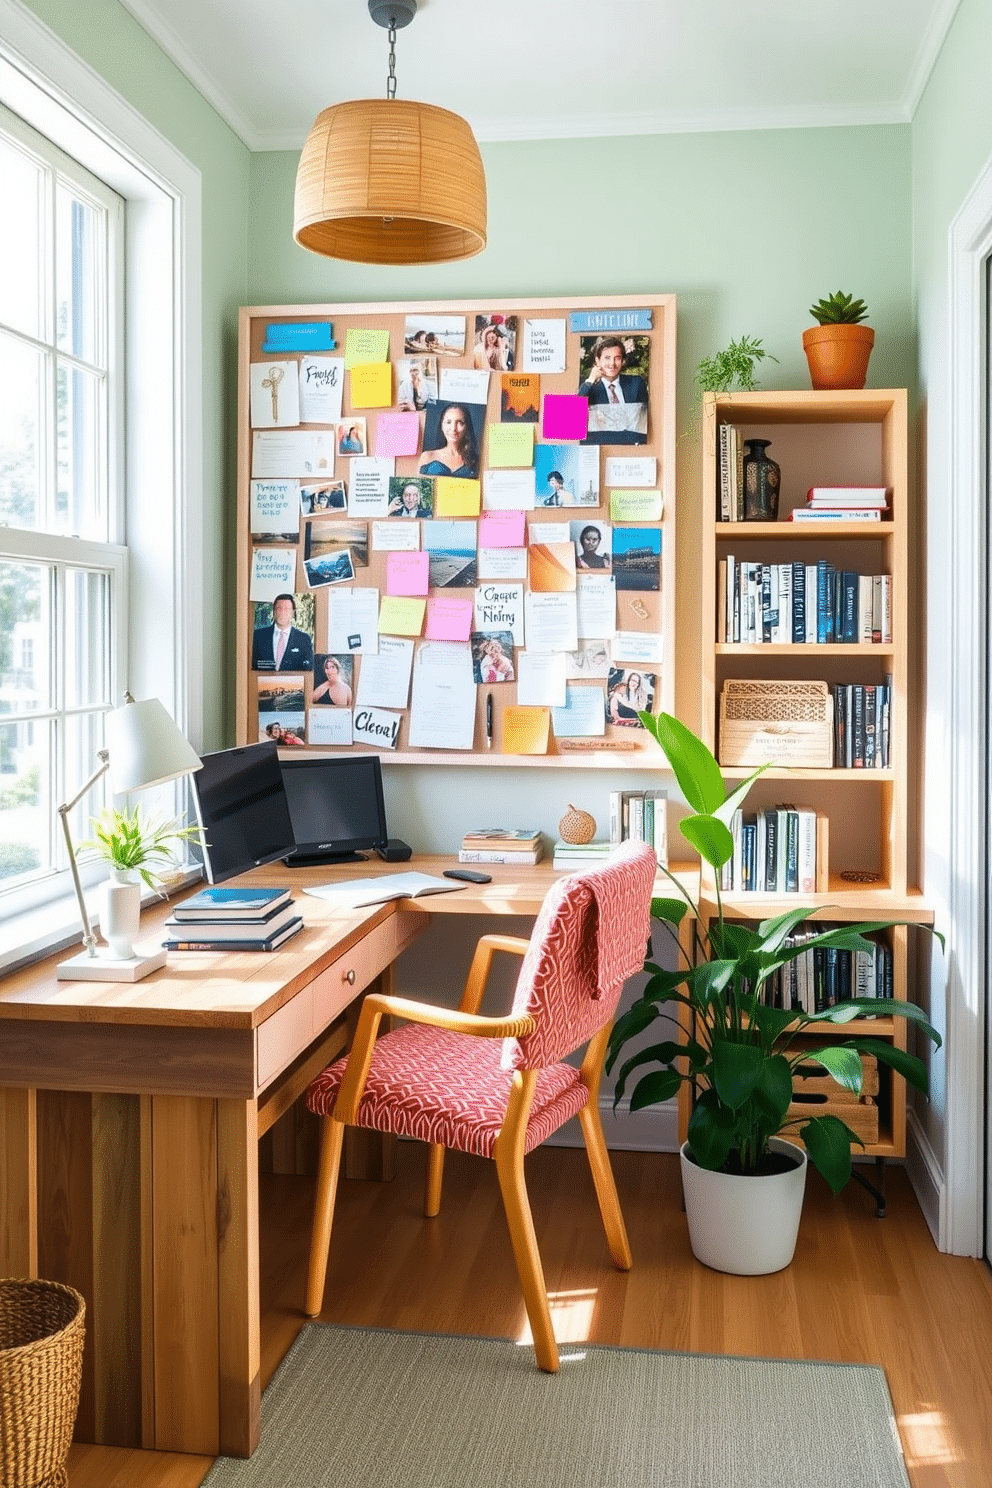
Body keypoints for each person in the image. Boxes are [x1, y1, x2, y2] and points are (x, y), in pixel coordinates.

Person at [579, 336, 649, 406]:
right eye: (607, 358)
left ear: (623, 361)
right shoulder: (588, 388)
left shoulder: (636, 383)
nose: (612, 363)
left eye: (617, 358)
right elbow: (572, 415)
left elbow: (646, 413)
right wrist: (591, 379)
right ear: (598, 360)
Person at [251, 593, 314, 672]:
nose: (282, 612)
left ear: (293, 613)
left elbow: (308, 669)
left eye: (287, 609)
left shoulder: (304, 639)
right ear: (274, 611)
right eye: (279, 608)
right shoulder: (258, 636)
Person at [419, 403, 479, 479]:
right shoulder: (427, 456)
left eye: (460, 422)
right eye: (448, 422)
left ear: (467, 427)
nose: (453, 428)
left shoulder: (476, 460)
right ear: (442, 425)